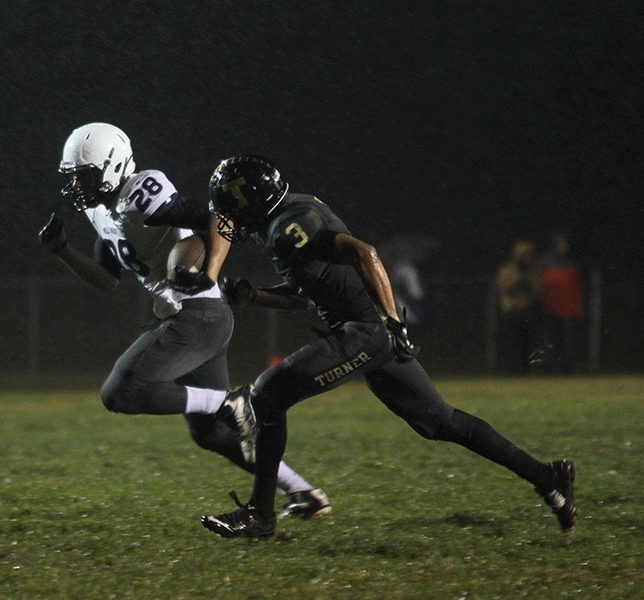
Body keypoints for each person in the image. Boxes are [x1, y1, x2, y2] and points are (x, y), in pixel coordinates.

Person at [198, 154, 576, 538]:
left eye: (231, 204)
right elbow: (304, 295)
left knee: (267, 394)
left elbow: (365, 253)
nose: (227, 216)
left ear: (251, 199)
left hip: (364, 330)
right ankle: (548, 477)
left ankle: (261, 515)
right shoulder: (286, 216)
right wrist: (254, 295)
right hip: (364, 329)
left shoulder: (288, 226)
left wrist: (390, 321)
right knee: (441, 422)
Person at [38, 124, 329, 517]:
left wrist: (208, 271)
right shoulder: (99, 211)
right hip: (197, 319)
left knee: (120, 392)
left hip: (196, 314)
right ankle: (304, 492)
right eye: (73, 177)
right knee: (210, 434)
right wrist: (62, 251)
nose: (77, 185)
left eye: (84, 175)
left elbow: (218, 217)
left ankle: (231, 402)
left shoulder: (142, 191)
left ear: (110, 166)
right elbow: (108, 279)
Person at [495, 239, 546, 375]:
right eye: (523, 255)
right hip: (511, 313)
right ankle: (510, 371)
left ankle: (526, 371)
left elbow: (540, 290)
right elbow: (504, 287)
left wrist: (528, 279)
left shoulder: (535, 271)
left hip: (528, 312)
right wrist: (518, 277)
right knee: (511, 344)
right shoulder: (508, 269)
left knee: (528, 343)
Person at [539, 232, 585, 374]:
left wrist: (578, 309)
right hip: (550, 309)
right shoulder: (544, 263)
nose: (564, 247)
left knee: (567, 342)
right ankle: (547, 370)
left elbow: (576, 290)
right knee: (549, 342)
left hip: (567, 310)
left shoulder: (571, 264)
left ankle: (567, 369)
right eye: (560, 244)